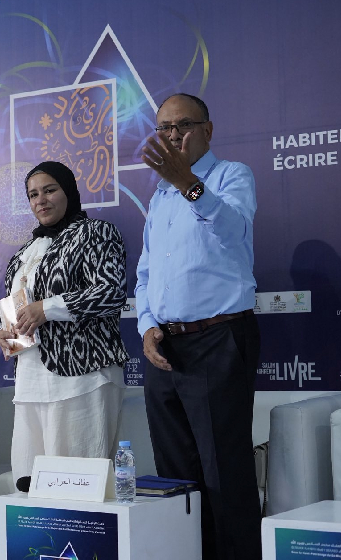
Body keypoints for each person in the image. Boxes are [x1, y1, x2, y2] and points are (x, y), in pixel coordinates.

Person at [136, 93, 261, 560]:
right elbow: (146, 273)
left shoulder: (231, 176)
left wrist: (187, 182)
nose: (172, 136)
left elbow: (233, 231)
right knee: (175, 476)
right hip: (166, 348)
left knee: (224, 471)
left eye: (183, 126)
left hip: (218, 339)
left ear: (207, 130)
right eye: (164, 128)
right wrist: (147, 325)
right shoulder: (159, 195)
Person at [0, 161, 129, 485]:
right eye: (33, 195)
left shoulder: (95, 232)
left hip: (83, 376)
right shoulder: (25, 252)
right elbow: (16, 306)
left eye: (49, 190)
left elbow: (111, 292)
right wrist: (5, 332)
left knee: (77, 484)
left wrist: (47, 309)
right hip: (30, 379)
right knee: (28, 482)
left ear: (68, 192)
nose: (40, 200)